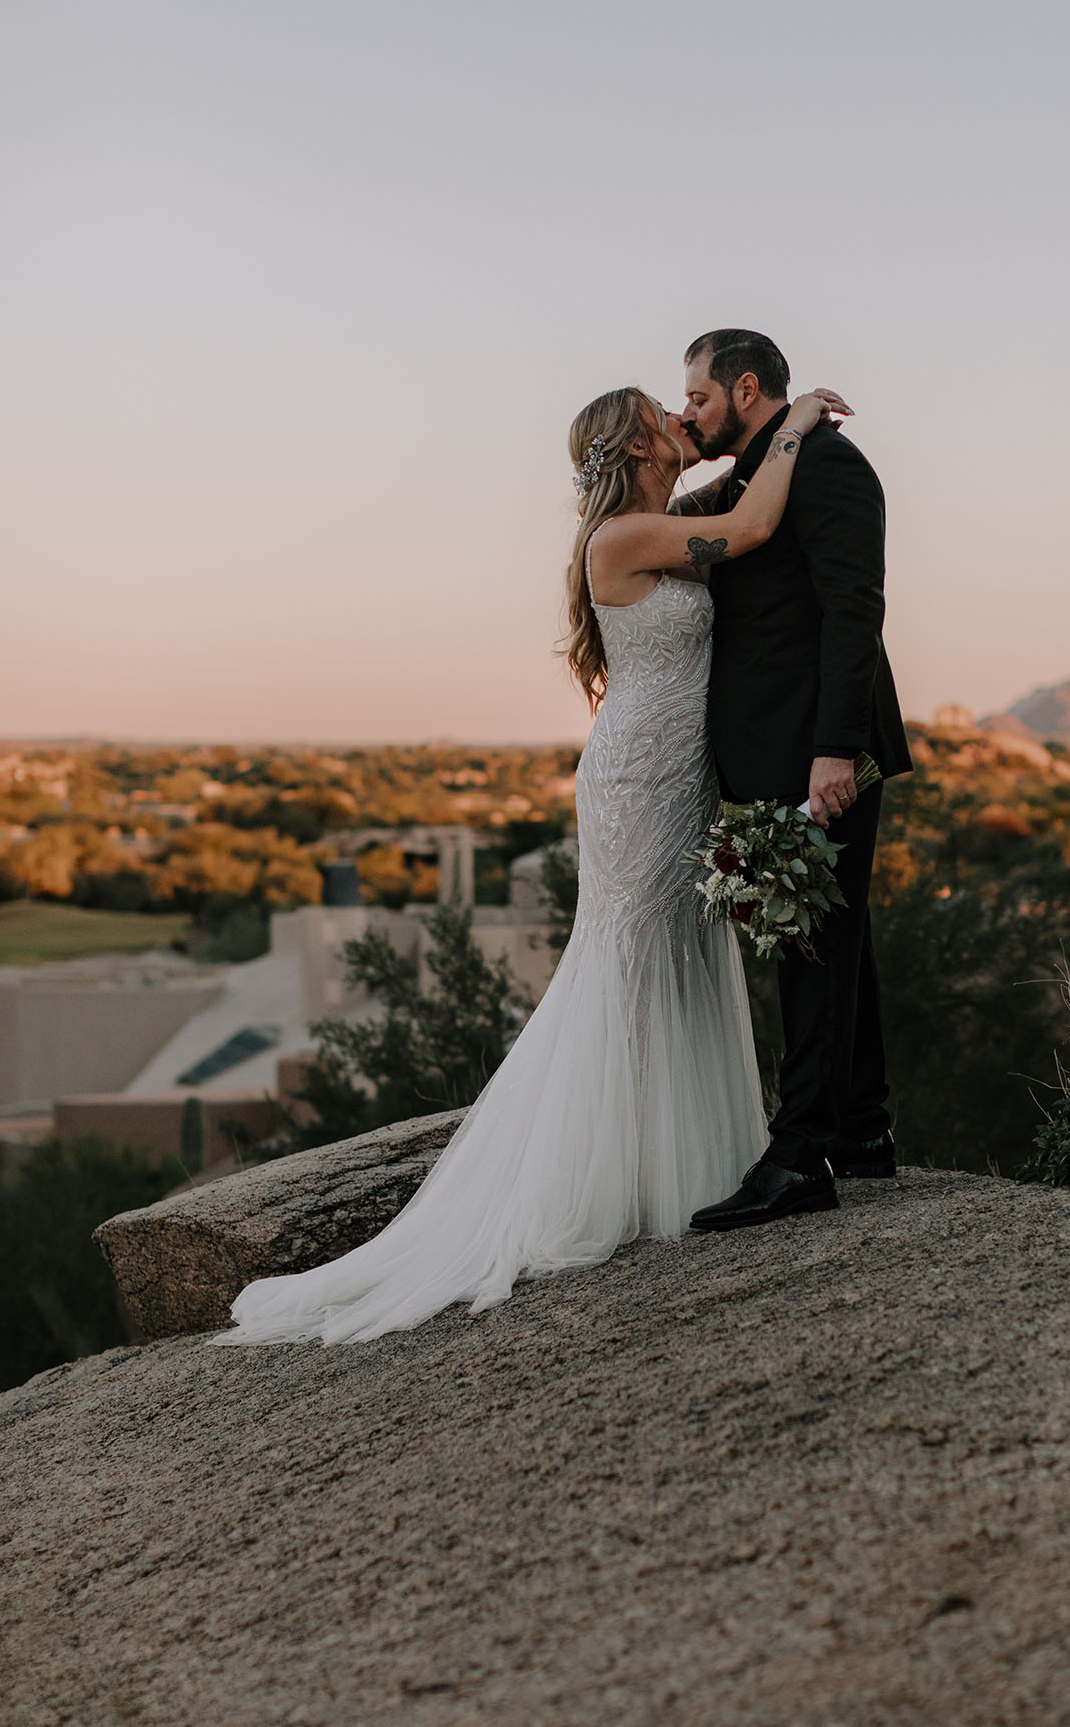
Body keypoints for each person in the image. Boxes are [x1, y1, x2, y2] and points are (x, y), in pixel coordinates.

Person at [214, 381, 848, 1344]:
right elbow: (756, 528)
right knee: (626, 960)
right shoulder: (620, 542)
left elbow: (732, 506)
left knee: (675, 953)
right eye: (662, 414)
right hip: (637, 780)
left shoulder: (660, 520)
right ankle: (588, 1182)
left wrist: (730, 442)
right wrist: (794, 421)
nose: (680, 419)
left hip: (678, 777)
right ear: (634, 445)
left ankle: (666, 1169)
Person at [679, 329, 913, 1234]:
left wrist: (832, 749)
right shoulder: (758, 472)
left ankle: (799, 1157)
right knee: (835, 933)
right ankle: (860, 1130)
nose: (689, 413)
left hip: (819, 750)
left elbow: (856, 609)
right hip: (780, 749)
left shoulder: (830, 469)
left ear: (743, 388)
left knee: (811, 944)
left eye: (696, 398)